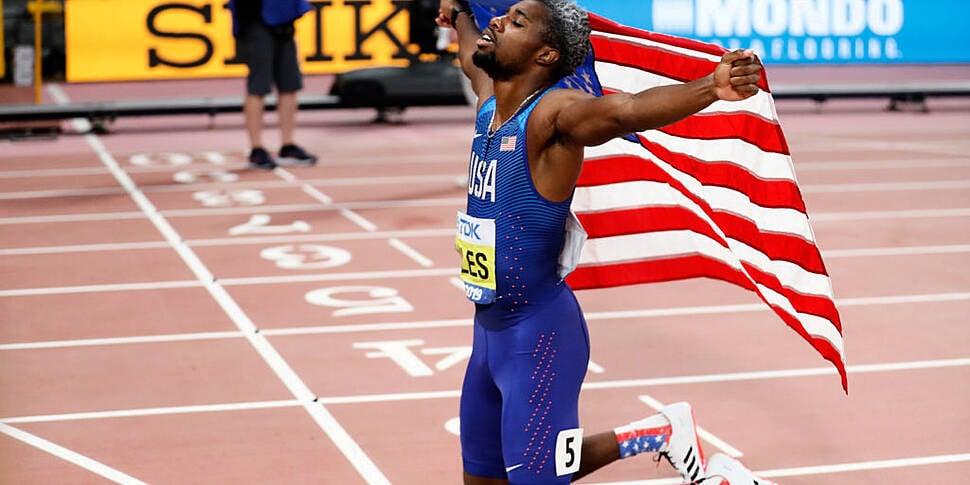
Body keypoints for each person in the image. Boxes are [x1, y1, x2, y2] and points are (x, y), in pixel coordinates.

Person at [438, 1, 777, 484]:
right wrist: (460, 17)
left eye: (516, 22)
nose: (498, 21)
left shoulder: (553, 117)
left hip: (538, 337)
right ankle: (658, 432)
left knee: (536, 478)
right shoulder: (490, 102)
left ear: (547, 54)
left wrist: (711, 87)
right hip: (489, 333)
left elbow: (625, 111)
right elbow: (473, 57)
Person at [228, 0, 318, 169]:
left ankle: (288, 144)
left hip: (285, 21)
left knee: (289, 86)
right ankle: (256, 148)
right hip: (256, 20)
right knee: (258, 88)